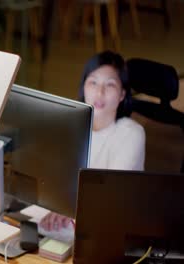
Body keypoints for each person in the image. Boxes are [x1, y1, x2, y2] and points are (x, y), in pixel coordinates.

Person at [40, 50, 146, 233]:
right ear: (83, 88)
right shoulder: (70, 127)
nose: (100, 92)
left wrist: (69, 208)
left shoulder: (132, 134)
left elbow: (110, 193)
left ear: (122, 94)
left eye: (110, 85)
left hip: (110, 226)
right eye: (93, 82)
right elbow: (54, 182)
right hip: (68, 222)